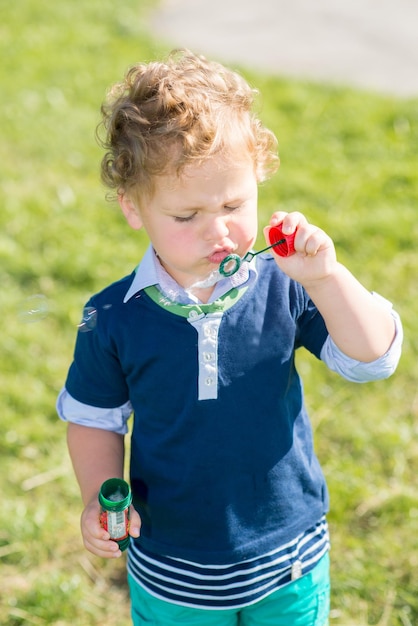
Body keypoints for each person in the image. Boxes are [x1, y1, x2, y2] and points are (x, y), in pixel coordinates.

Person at [57, 49, 402, 625]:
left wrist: (326, 279)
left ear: (259, 180)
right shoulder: (115, 315)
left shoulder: (286, 284)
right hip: (171, 560)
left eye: (235, 204)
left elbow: (373, 359)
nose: (218, 230)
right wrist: (98, 493)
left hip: (288, 554)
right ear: (133, 208)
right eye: (187, 216)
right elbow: (94, 417)